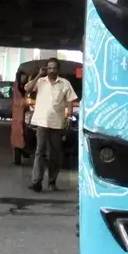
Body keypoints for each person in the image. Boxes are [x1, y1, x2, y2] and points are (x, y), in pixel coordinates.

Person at [24, 59, 78, 192]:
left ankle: (52, 182)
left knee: (55, 154)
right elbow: (28, 88)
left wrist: (69, 116)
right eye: (49, 68)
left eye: (54, 68)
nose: (51, 70)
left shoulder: (65, 84)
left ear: (58, 70)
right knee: (40, 152)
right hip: (42, 122)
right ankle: (36, 182)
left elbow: (70, 100)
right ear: (46, 69)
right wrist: (38, 74)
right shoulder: (41, 81)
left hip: (57, 124)